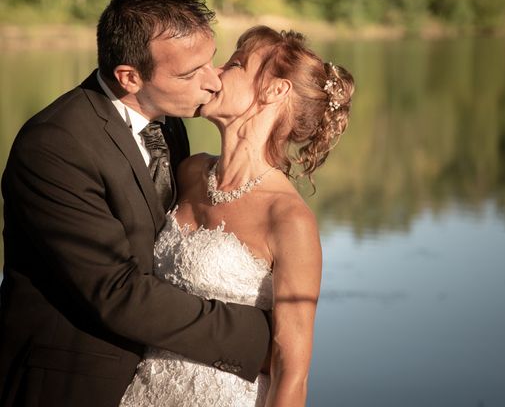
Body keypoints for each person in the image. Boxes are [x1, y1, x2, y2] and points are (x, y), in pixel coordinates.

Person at [0, 0, 271, 407]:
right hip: (71, 385)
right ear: (129, 76)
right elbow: (116, 292)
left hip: (156, 379)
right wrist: (263, 337)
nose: (212, 82)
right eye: (188, 73)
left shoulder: (169, 123)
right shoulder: (55, 144)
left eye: (211, 62)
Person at [119, 25, 354, 406]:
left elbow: (291, 371)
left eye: (237, 64)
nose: (215, 73)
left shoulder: (289, 218)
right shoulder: (189, 171)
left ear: (275, 90)